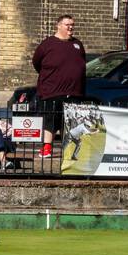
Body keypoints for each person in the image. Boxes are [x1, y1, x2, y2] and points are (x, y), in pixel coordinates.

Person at [33, 14, 86, 160]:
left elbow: (81, 63)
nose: (70, 27)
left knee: (71, 122)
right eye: (67, 24)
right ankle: (47, 148)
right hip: (52, 90)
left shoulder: (77, 44)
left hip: (74, 91)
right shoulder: (47, 44)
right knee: (51, 120)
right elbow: (36, 62)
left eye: (72, 25)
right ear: (59, 25)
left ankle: (69, 150)